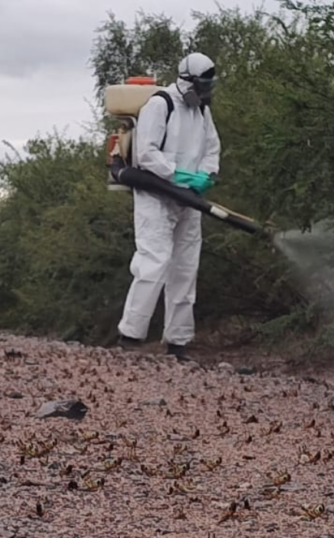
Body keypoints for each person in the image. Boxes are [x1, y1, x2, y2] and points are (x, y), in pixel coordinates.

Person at [115, 52, 221, 362]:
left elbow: (212, 148)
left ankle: (178, 343)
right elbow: (147, 154)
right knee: (154, 263)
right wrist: (177, 174)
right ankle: (130, 337)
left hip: (189, 200)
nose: (206, 92)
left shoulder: (202, 111)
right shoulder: (160, 105)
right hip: (156, 198)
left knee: (185, 269)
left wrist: (205, 175)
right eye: (202, 86)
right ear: (187, 82)